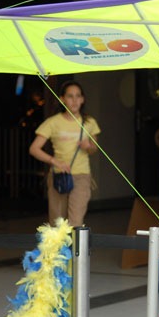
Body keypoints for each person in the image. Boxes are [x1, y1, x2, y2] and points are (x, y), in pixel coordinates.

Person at [29, 80, 100, 227]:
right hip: (59, 175)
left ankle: (75, 243)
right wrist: (55, 161)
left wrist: (88, 146)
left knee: (76, 222)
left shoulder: (89, 122)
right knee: (57, 223)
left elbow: (94, 149)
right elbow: (34, 149)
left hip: (81, 175)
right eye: (70, 96)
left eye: (78, 96)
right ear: (62, 99)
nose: (74, 100)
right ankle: (60, 244)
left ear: (82, 99)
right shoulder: (53, 122)